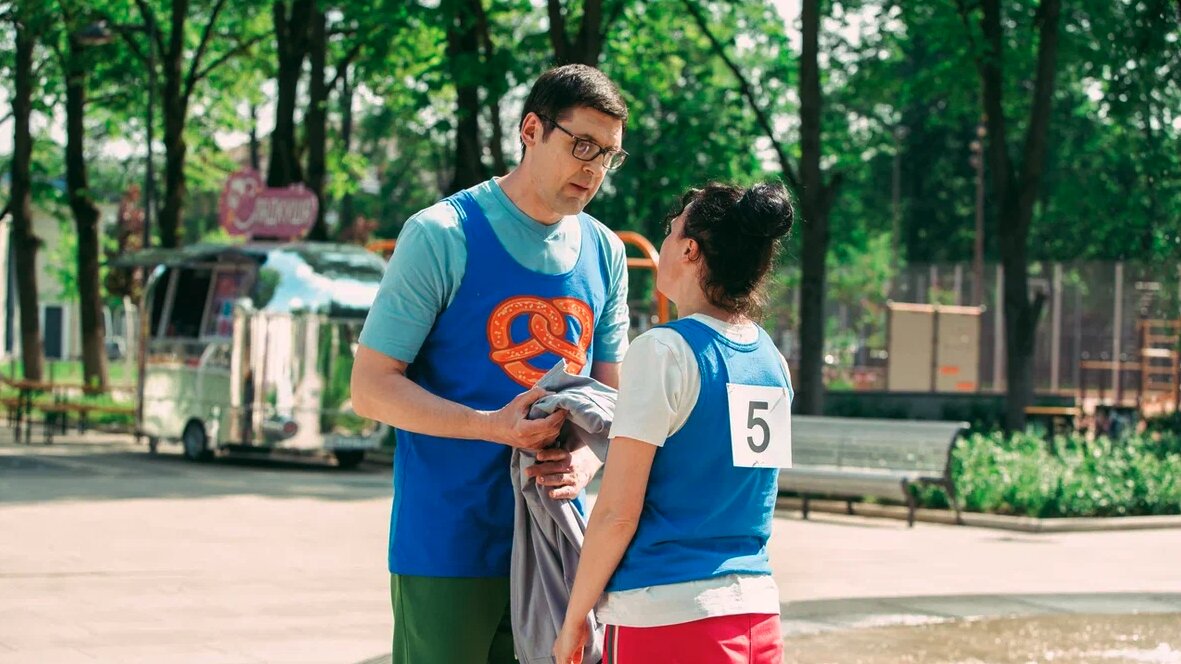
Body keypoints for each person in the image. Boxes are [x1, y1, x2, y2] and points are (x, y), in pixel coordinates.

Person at [351, 64, 632, 664]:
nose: (594, 168)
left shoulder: (606, 251)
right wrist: (492, 426)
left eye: (608, 154)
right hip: (449, 543)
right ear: (531, 130)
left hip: (558, 541)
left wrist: (584, 463)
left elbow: (613, 403)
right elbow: (370, 389)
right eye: (582, 145)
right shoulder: (441, 234)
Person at [554, 182, 795, 664]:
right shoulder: (772, 361)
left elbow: (617, 513)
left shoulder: (662, 351)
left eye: (671, 230)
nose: (663, 240)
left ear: (689, 250)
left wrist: (575, 616)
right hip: (755, 615)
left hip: (666, 616)